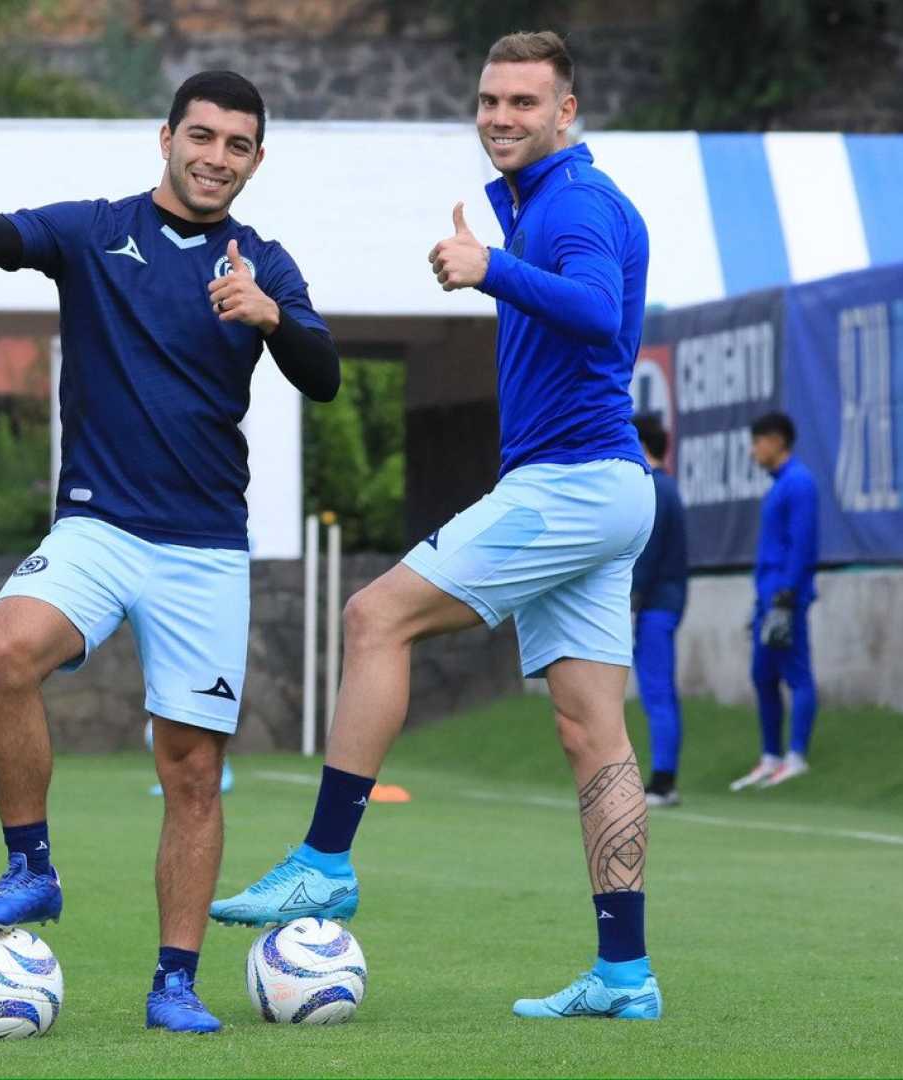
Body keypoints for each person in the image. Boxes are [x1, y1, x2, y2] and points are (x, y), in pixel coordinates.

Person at [0, 71, 339, 1033]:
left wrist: (272, 318)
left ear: (256, 159)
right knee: (8, 649)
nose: (214, 157)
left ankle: (174, 983)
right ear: (163, 137)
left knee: (193, 772)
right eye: (199, 136)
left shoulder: (266, 265)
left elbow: (323, 378)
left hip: (205, 547)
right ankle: (31, 866)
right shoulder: (92, 231)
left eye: (236, 145)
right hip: (99, 526)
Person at [211, 31, 663, 1021]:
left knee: (376, 616)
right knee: (592, 734)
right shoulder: (534, 200)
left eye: (524, 103)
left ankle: (324, 859)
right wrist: (496, 253)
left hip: (572, 485)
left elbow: (596, 309)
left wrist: (486, 268)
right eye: (490, 100)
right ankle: (625, 975)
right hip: (605, 488)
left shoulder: (575, 204)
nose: (501, 117)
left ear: (566, 112)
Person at [731, 411, 819, 790]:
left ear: (777, 440)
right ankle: (771, 757)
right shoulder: (779, 485)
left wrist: (788, 594)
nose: (754, 452)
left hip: (784, 597)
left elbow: (802, 543)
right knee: (762, 675)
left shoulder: (800, 483)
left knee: (797, 675)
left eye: (757, 442)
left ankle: (796, 755)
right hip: (766, 597)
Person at [630, 414, 687, 807]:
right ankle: (662, 778)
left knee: (657, 692)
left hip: (655, 605)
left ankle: (664, 781)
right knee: (658, 691)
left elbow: (646, 555)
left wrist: (631, 600)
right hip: (663, 602)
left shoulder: (654, 488)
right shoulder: (666, 487)